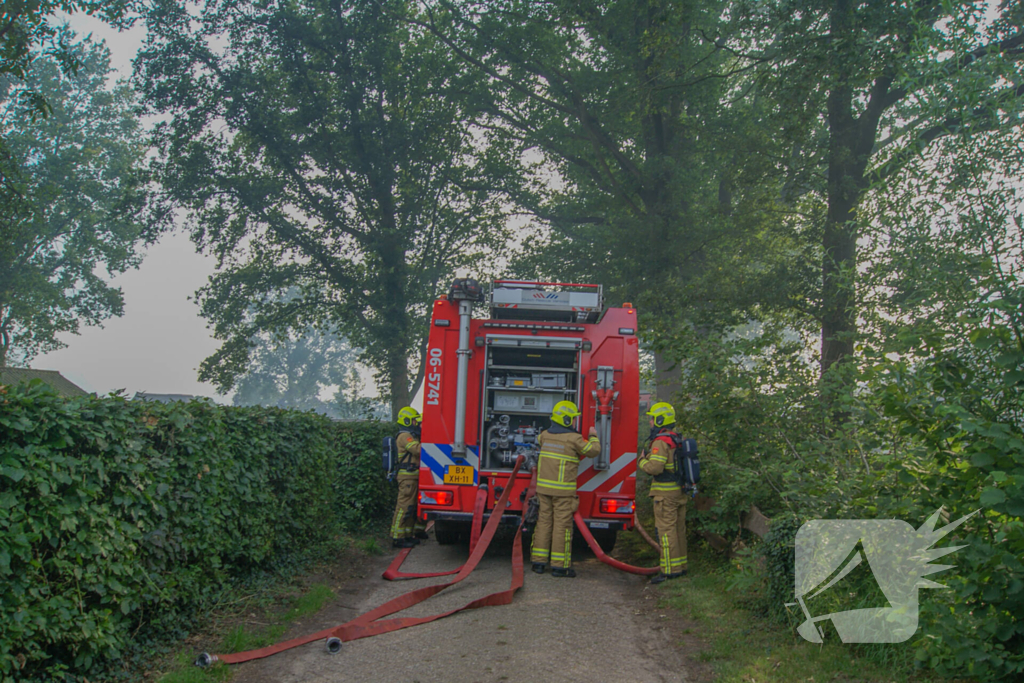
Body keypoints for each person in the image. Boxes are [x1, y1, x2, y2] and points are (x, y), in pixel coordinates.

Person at [530, 400, 600, 578]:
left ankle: (538, 563)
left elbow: (537, 440)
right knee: (562, 526)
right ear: (567, 420)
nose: (576, 422)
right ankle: (559, 567)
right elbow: (593, 451)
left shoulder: (544, 435)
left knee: (544, 523)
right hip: (563, 493)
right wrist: (593, 436)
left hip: (543, 490)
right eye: (574, 419)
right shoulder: (574, 438)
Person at [638, 402, 687, 584]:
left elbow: (655, 468)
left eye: (652, 419)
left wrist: (642, 461)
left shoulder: (660, 441)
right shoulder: (676, 439)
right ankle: (681, 566)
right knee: (678, 530)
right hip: (679, 492)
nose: (650, 422)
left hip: (665, 496)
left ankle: (670, 571)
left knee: (666, 532)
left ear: (659, 420)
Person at [391, 406, 429, 548]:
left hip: (412, 477)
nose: (416, 424)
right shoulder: (404, 436)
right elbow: (417, 449)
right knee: (403, 507)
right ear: (407, 421)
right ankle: (397, 537)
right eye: (414, 421)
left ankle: (407, 535)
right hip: (406, 477)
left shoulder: (411, 436)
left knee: (410, 508)